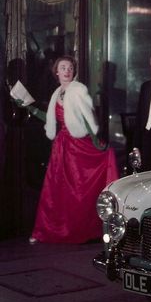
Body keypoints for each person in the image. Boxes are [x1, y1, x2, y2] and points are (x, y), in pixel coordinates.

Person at [14, 56, 119, 244]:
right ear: (57, 72)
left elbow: (88, 118)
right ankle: (46, 231)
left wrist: (96, 142)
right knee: (55, 190)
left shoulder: (78, 90)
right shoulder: (57, 93)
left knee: (77, 188)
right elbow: (52, 119)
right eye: (63, 68)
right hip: (61, 146)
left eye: (70, 68)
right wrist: (31, 109)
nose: (67, 71)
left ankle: (78, 230)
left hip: (78, 145)